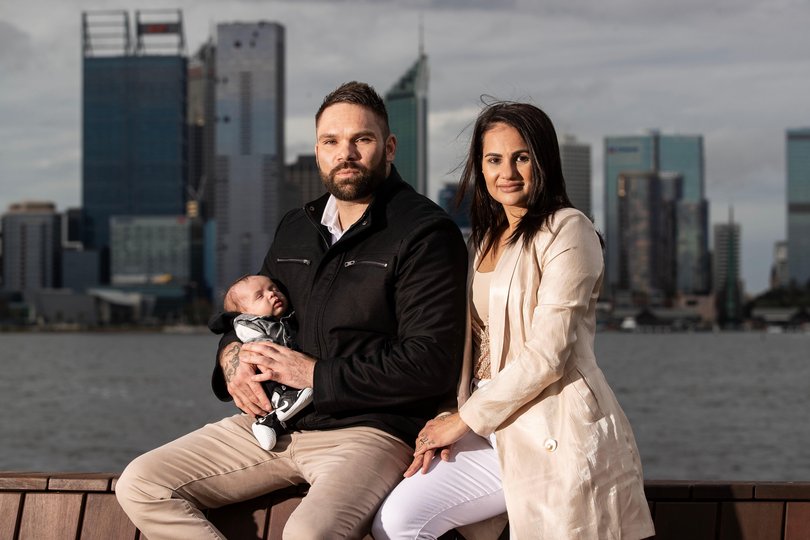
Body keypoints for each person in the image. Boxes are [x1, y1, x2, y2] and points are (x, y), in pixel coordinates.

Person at [115, 81, 469, 539]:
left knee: (306, 535)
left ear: (389, 147)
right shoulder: (295, 228)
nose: (347, 153)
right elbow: (247, 315)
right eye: (331, 142)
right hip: (272, 425)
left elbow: (430, 365)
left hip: (369, 433)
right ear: (318, 151)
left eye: (361, 140)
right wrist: (233, 361)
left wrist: (315, 375)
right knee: (142, 484)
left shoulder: (425, 233)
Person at [373, 102, 655, 539]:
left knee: (405, 521)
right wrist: (450, 411)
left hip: (550, 424)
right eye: (494, 159)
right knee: (396, 519)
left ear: (543, 161)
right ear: (480, 168)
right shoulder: (481, 240)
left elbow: (548, 355)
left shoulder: (568, 229)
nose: (508, 171)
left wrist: (462, 421)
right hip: (485, 422)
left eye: (522, 157)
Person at [209, 274, 312, 451]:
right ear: (244, 312)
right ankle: (275, 413)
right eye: (259, 296)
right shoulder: (249, 324)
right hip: (267, 374)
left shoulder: (285, 319)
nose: (272, 294)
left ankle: (274, 421)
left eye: (274, 289)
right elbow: (260, 347)